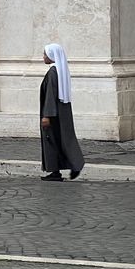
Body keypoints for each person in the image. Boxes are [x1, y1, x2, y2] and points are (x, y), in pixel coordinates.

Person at [40, 43, 85, 181]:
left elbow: (50, 94)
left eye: (45, 54)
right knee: (64, 139)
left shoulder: (53, 72)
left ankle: (59, 170)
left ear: (52, 56)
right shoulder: (60, 70)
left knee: (52, 140)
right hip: (62, 111)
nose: (43, 57)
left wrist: (47, 115)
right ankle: (66, 167)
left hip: (53, 113)